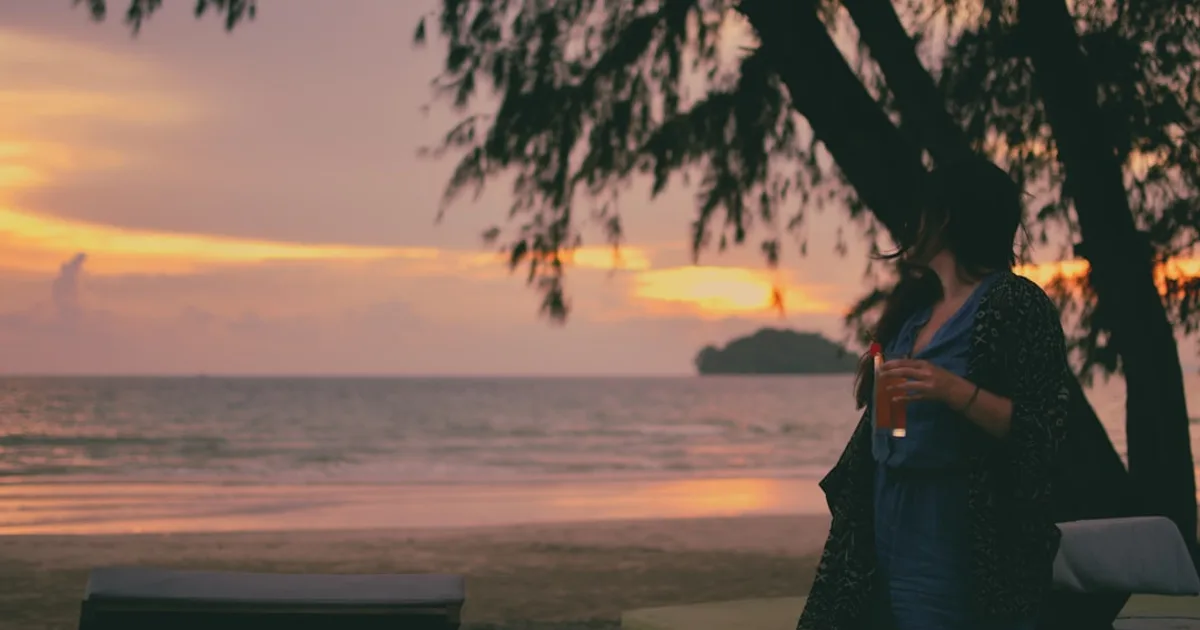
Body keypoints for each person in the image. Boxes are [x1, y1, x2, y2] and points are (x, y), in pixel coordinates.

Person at [796, 157, 1070, 630]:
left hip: (954, 533)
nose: (910, 225)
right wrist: (883, 391)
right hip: (885, 524)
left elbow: (1041, 429)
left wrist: (953, 390)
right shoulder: (914, 313)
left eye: (920, 212)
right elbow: (891, 432)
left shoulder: (1013, 302)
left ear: (945, 217)